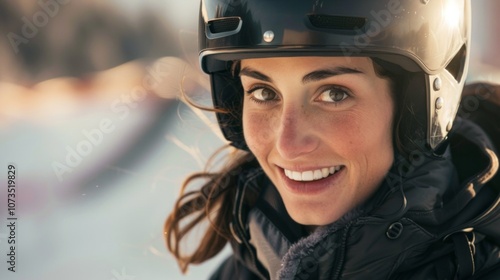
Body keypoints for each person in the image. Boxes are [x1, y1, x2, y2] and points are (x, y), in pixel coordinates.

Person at [165, 0, 500, 279]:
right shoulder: (242, 270)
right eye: (264, 92)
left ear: (414, 109)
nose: (288, 144)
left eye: (334, 94)